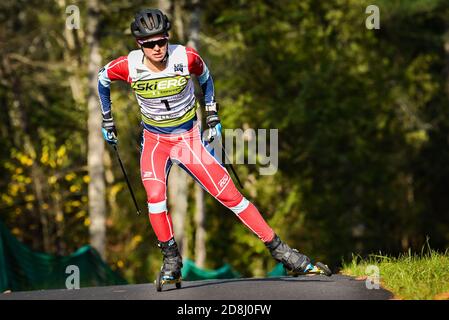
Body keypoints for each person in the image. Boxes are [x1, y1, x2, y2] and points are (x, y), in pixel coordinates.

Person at [97, 8, 313, 282]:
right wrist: (107, 119)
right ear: (139, 44)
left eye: (161, 41)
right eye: (149, 43)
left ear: (167, 38)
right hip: (155, 142)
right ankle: (172, 260)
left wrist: (212, 113)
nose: (157, 48)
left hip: (188, 139)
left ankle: (282, 252)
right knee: (155, 198)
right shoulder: (128, 66)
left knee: (231, 196)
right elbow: (102, 80)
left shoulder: (185, 57)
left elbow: (206, 78)